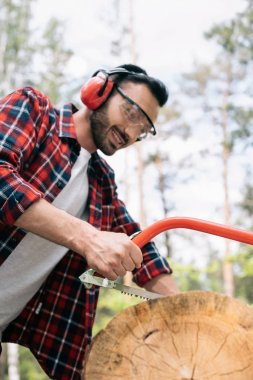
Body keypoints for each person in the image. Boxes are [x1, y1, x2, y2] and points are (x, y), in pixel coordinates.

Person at [0, 64, 179, 379]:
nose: (131, 134)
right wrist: (87, 238)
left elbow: (141, 248)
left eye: (143, 131)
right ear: (99, 91)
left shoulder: (101, 184)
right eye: (132, 114)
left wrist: (184, 313)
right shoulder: (35, 111)